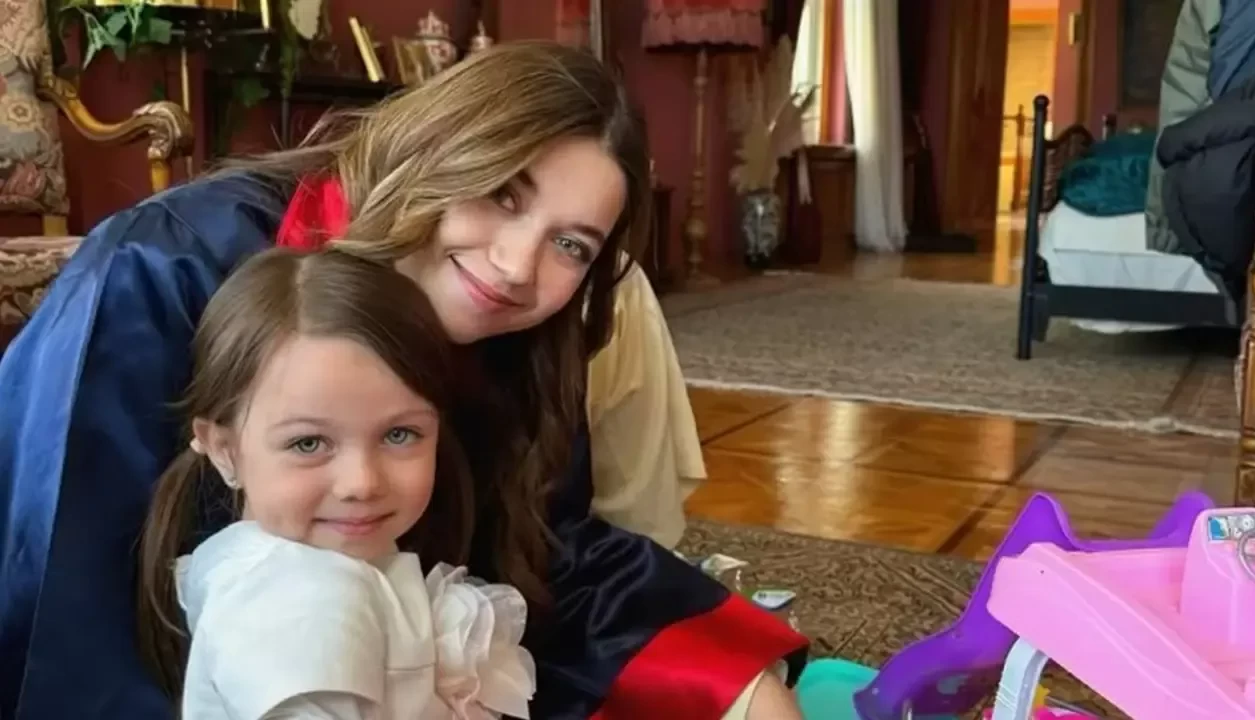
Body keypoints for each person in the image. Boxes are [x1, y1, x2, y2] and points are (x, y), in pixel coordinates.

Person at [0, 41, 807, 719]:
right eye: (501, 194)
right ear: (433, 152)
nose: (515, 265)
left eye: (572, 245)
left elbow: (547, 552)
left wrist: (735, 684)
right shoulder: (160, 270)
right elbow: (62, 602)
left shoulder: (515, 333)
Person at [149, 247, 535, 719]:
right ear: (224, 449)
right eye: (308, 443)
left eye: (399, 434)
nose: (361, 483)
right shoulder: (290, 601)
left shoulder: (329, 570)